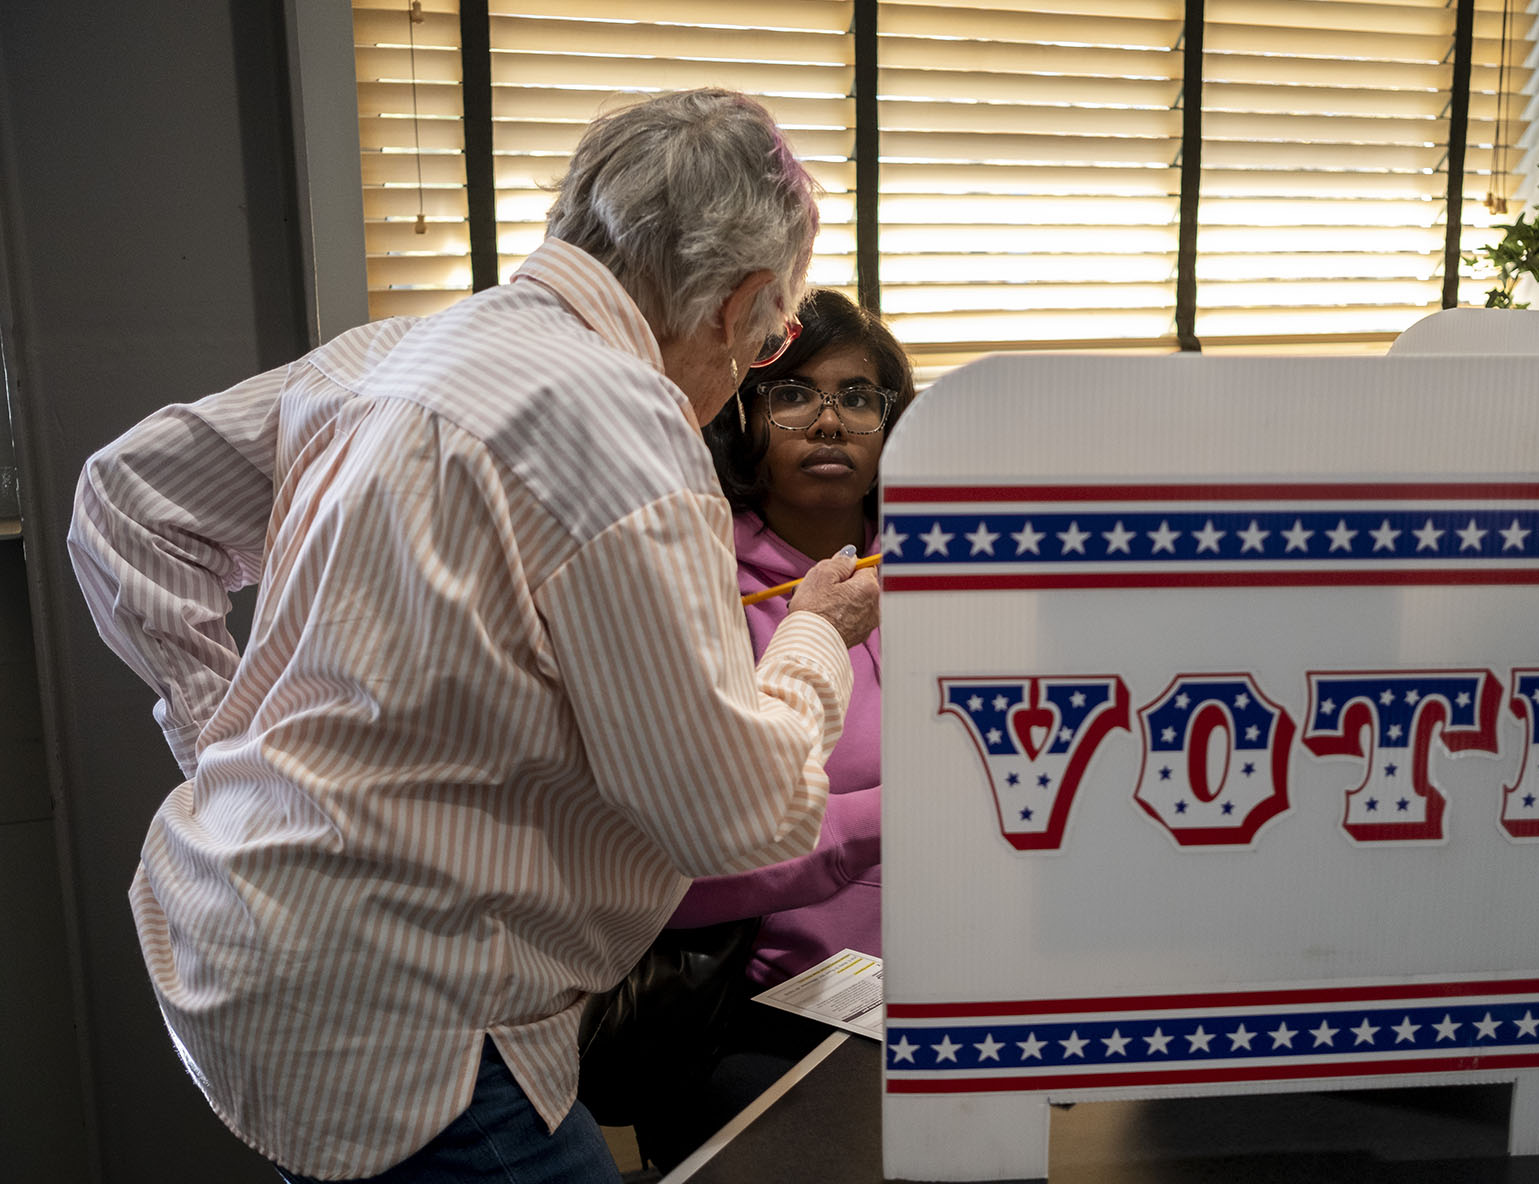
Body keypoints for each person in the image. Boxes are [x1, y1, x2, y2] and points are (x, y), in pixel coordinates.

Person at [64, 88, 878, 1184]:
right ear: (738, 308)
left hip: (239, 926)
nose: (752, 371)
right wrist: (814, 638)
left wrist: (229, 746)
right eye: (774, 337)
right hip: (407, 1008)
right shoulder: (629, 425)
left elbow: (127, 503)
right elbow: (731, 814)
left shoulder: (386, 354)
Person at [609, 288, 914, 1171]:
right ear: (743, 414)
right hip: (752, 1014)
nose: (830, 422)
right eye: (795, 395)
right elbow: (679, 859)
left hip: (948, 998)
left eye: (859, 398)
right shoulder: (694, 585)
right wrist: (890, 816)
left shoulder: (951, 565)